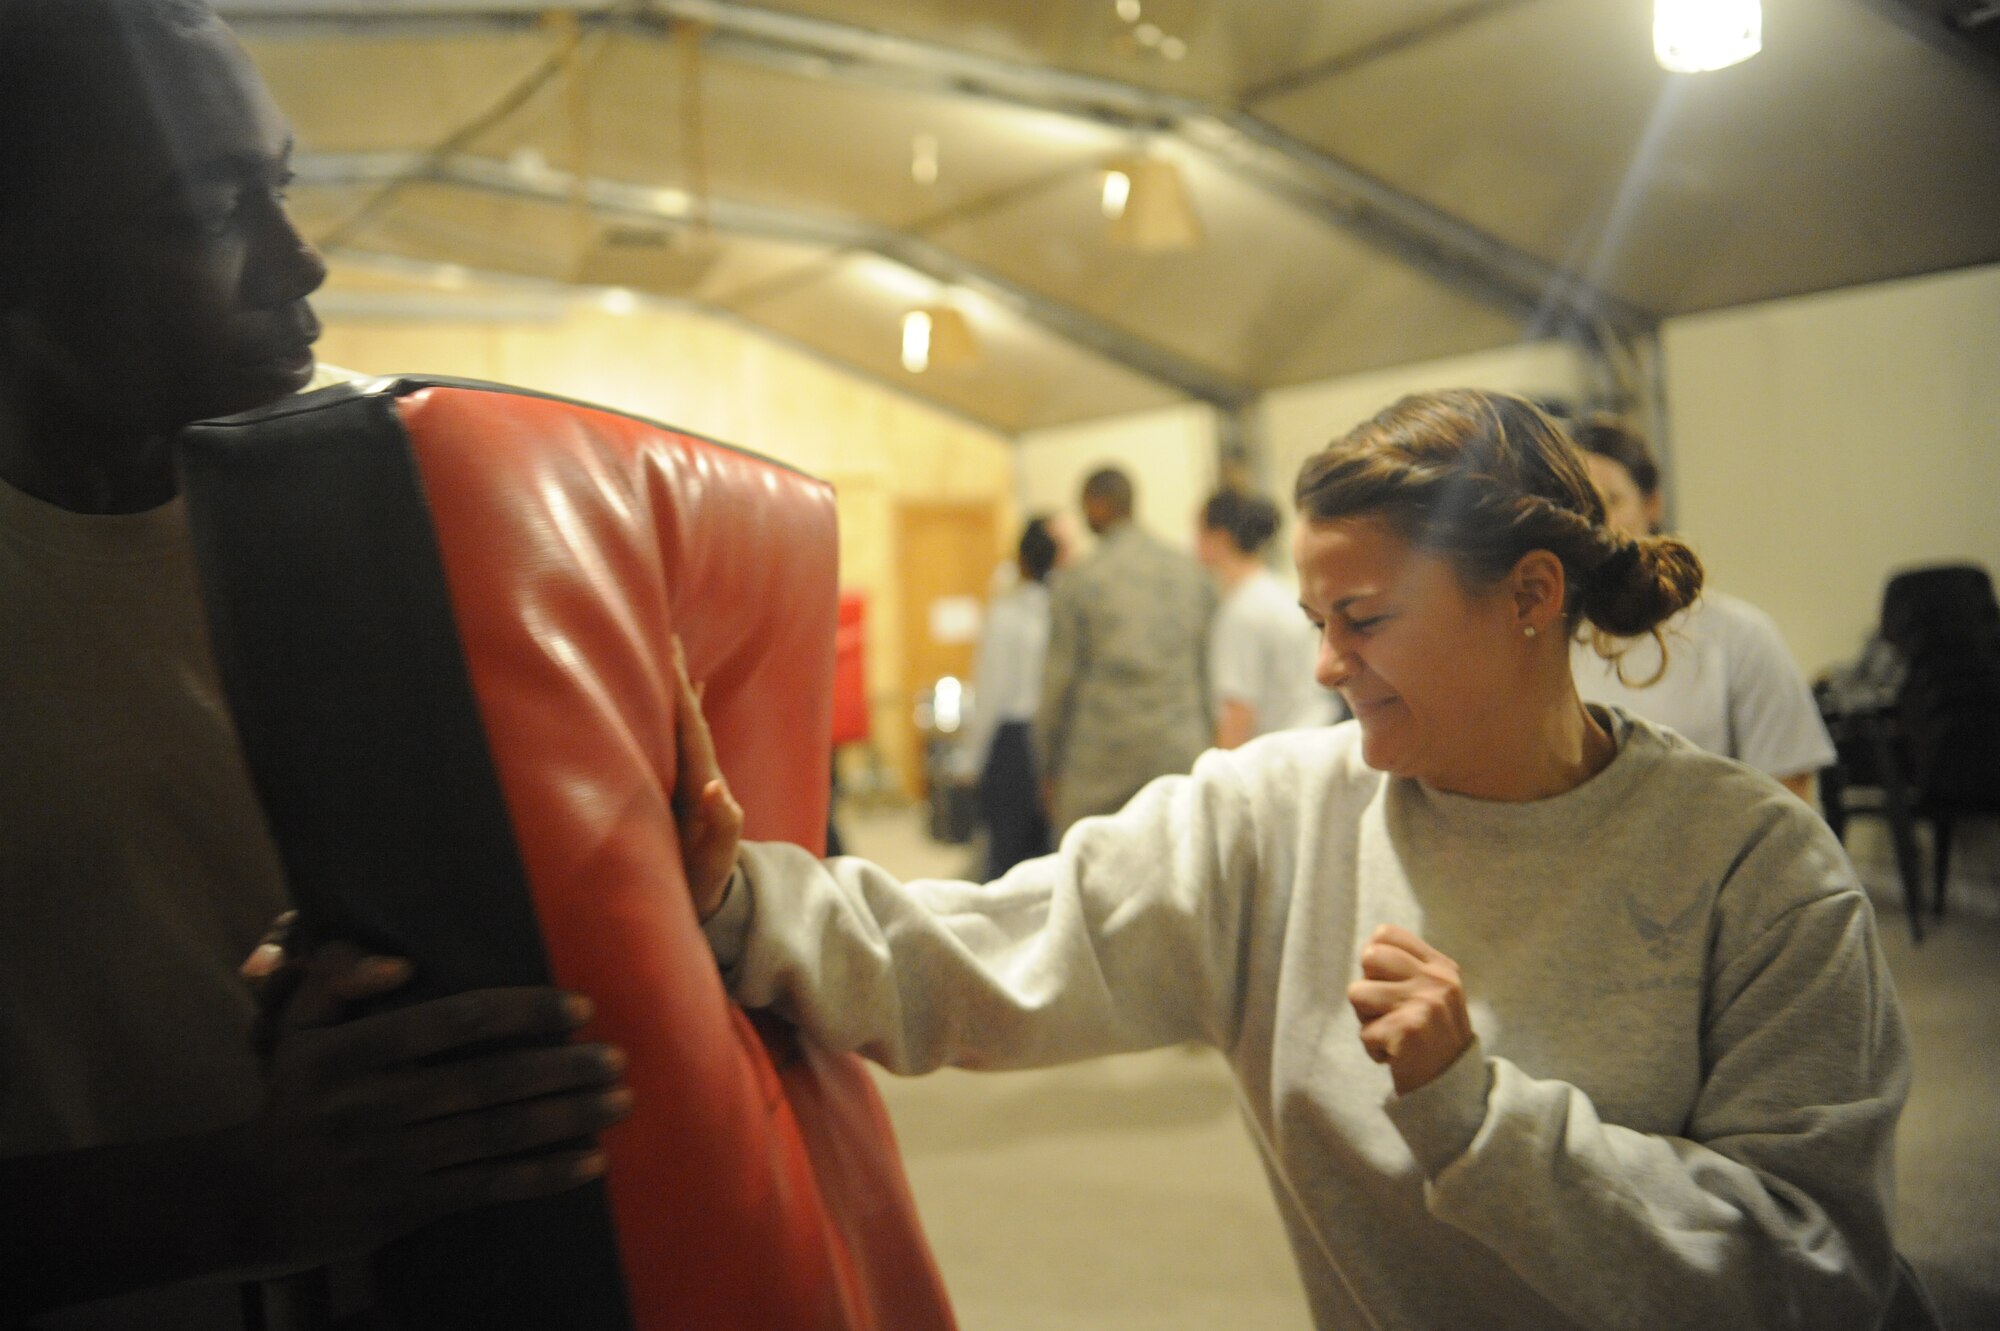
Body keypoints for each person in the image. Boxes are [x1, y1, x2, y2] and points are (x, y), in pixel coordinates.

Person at [674, 389, 1917, 1330]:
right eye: (1318, 621)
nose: (1324, 662)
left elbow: (1810, 1266)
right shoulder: (1278, 814)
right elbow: (991, 943)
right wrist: (729, 896)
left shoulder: (1758, 869)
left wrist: (1481, 1117)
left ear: (1530, 594)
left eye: (1363, 618)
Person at [0, 3, 629, 1325]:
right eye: (209, 208)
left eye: (277, 186)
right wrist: (240, 1189)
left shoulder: (390, 502)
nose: (302, 263)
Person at [1569, 415, 1836, 804]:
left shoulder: (1740, 636)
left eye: (1610, 501)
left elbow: (1789, 796)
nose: (1596, 523)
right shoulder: (1543, 640)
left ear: (1652, 504)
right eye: (1577, 505)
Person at [1034, 466, 1215, 833]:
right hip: (1178, 750)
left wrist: (1046, 765)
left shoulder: (1082, 578)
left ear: (1098, 504)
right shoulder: (1190, 572)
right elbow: (1208, 669)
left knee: (1092, 871)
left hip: (1100, 761)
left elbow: (1058, 682)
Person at [951, 516, 1061, 878]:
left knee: (1006, 860)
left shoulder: (1007, 614)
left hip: (1013, 743)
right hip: (1056, 741)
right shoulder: (1063, 612)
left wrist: (970, 758)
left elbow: (991, 691)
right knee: (1048, 857)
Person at [1195, 487, 1342, 747]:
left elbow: (1238, 711)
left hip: (1283, 753)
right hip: (1317, 736)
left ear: (1217, 537)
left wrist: (1221, 777)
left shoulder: (1241, 613)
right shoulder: (1280, 592)